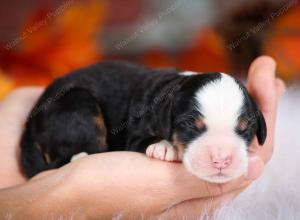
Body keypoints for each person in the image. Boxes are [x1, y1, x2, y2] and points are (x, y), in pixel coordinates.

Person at [0, 56, 285, 219]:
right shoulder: (160, 103)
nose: (222, 155)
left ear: (257, 125)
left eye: (242, 130)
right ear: (167, 117)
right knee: (81, 115)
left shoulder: (177, 99)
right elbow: (137, 137)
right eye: (194, 128)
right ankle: (67, 159)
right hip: (69, 105)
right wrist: (60, 192)